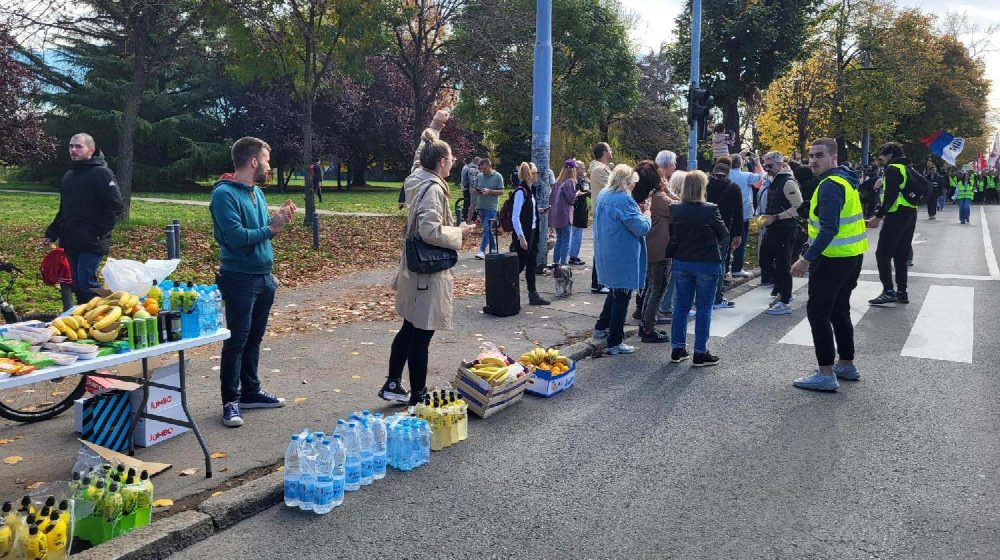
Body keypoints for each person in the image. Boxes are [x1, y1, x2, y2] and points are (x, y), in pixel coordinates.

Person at [379, 111, 477, 406]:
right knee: (421, 335)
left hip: (412, 269)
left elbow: (419, 156)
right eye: (451, 159)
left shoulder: (416, 178)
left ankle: (393, 384)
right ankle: (418, 397)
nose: (454, 162)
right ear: (442, 163)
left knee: (409, 328)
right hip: (427, 274)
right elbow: (430, 230)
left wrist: (435, 126)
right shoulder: (433, 189)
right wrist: (459, 232)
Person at [210, 137, 298, 427]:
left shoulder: (255, 193)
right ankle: (230, 401)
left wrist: (278, 221)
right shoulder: (224, 195)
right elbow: (236, 238)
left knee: (255, 338)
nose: (269, 166)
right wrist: (272, 228)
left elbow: (261, 231)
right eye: (267, 160)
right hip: (238, 278)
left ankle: (250, 391)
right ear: (253, 162)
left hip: (263, 276)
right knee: (236, 340)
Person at [789, 137, 868, 392]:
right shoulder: (846, 180)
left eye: (819, 155)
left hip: (833, 259)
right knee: (839, 310)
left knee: (818, 312)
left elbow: (829, 229)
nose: (813, 160)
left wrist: (805, 259)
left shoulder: (830, 186)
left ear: (833, 158)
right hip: (851, 256)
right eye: (811, 155)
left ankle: (825, 373)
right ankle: (846, 363)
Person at [43, 133, 124, 305]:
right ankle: (83, 320)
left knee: (86, 284)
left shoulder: (102, 173)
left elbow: (115, 205)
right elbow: (64, 209)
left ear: (91, 150)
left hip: (92, 241)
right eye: (71, 146)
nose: (73, 150)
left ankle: (113, 311)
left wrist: (99, 232)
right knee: (74, 284)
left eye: (78, 146)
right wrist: (52, 232)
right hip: (70, 240)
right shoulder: (69, 176)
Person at [667, 171, 729, 366]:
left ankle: (677, 348)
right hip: (707, 263)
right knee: (704, 308)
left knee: (681, 307)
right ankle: (700, 352)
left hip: (682, 261)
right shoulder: (710, 209)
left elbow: (673, 234)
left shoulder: (675, 209)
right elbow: (723, 233)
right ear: (703, 187)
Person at [592, 164, 650, 355]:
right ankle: (615, 341)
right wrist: (647, 213)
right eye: (632, 183)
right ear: (625, 182)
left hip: (607, 249)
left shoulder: (604, 194)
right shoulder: (623, 199)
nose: (633, 187)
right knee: (622, 295)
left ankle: (601, 327)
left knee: (615, 292)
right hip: (622, 252)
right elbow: (640, 228)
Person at [866, 142, 918, 307]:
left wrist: (878, 217)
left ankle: (888, 291)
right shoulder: (908, 167)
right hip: (910, 213)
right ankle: (902, 292)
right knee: (901, 255)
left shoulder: (893, 169)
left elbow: (890, 197)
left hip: (896, 214)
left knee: (882, 254)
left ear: (890, 154)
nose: (881, 158)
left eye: (882, 154)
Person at [758, 151, 803, 316]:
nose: (767, 168)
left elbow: (798, 208)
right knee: (765, 261)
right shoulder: (775, 179)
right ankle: (783, 290)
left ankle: (785, 299)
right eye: (765, 166)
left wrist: (776, 217)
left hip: (785, 229)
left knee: (783, 263)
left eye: (770, 165)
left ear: (780, 164)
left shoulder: (788, 182)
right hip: (774, 227)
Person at [637, 161, 678, 343]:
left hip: (651, 247)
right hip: (660, 249)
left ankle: (645, 324)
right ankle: (648, 327)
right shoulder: (659, 198)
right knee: (658, 288)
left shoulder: (646, 195)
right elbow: (679, 207)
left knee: (652, 286)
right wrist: (669, 190)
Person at [705, 158, 743, 309]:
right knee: (719, 263)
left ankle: (703, 295)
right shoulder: (733, 187)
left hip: (705, 228)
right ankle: (717, 297)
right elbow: (738, 212)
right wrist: (738, 234)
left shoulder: (706, 185)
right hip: (724, 229)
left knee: (704, 262)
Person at [512, 163, 552, 306]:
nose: (538, 175)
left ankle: (533, 294)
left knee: (530, 264)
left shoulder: (529, 191)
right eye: (536, 173)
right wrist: (521, 237)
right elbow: (515, 217)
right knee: (518, 266)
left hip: (532, 232)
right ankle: (507, 293)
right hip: (524, 234)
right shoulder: (520, 192)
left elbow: (527, 211)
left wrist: (539, 210)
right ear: (530, 175)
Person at [657, 170, 687, 323]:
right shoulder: (668, 200)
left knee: (670, 277)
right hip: (668, 242)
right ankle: (665, 307)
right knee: (669, 278)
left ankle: (666, 306)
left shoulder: (666, 197)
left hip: (668, 241)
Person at [728, 151, 764, 278]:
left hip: (727, 214)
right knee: (741, 242)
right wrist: (757, 162)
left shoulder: (726, 175)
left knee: (727, 241)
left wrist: (739, 156)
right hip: (743, 213)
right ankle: (737, 268)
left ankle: (726, 268)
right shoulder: (746, 176)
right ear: (741, 163)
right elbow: (761, 176)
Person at [588, 142, 614, 293]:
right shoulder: (599, 170)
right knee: (602, 248)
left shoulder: (602, 168)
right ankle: (597, 283)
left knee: (605, 248)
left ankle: (601, 281)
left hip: (605, 213)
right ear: (604, 153)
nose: (612, 151)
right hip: (603, 214)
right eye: (610, 149)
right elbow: (615, 185)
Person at [548, 160, 579, 275]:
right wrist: (577, 195)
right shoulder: (570, 182)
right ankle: (564, 264)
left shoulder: (557, 182)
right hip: (565, 214)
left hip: (557, 215)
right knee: (566, 240)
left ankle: (556, 262)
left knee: (559, 240)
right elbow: (571, 199)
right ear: (572, 169)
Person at [472, 158, 503, 260]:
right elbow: (475, 188)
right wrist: (477, 191)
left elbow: (501, 192)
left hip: (491, 207)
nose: (482, 171)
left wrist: (490, 191)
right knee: (488, 229)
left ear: (489, 166)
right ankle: (494, 248)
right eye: (481, 169)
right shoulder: (479, 176)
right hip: (481, 206)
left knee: (486, 228)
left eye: (484, 169)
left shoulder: (498, 176)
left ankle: (482, 250)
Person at [532, 166, 557, 274]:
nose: (538, 174)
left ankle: (538, 261)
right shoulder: (523, 191)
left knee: (546, 238)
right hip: (530, 223)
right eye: (535, 173)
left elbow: (553, 186)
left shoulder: (549, 172)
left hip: (539, 213)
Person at [568, 160, 591, 265]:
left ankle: (574, 255)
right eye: (582, 168)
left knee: (578, 234)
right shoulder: (572, 181)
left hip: (582, 209)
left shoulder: (583, 180)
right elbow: (575, 195)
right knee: (575, 234)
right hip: (575, 209)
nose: (583, 170)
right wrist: (587, 192)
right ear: (576, 168)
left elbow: (587, 192)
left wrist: (588, 191)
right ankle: (572, 256)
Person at [460, 156, 481, 224]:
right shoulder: (471, 169)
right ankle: (468, 218)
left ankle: (470, 217)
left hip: (468, 188)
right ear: (477, 162)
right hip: (470, 189)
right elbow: (472, 181)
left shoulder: (468, 168)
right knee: (470, 203)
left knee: (469, 203)